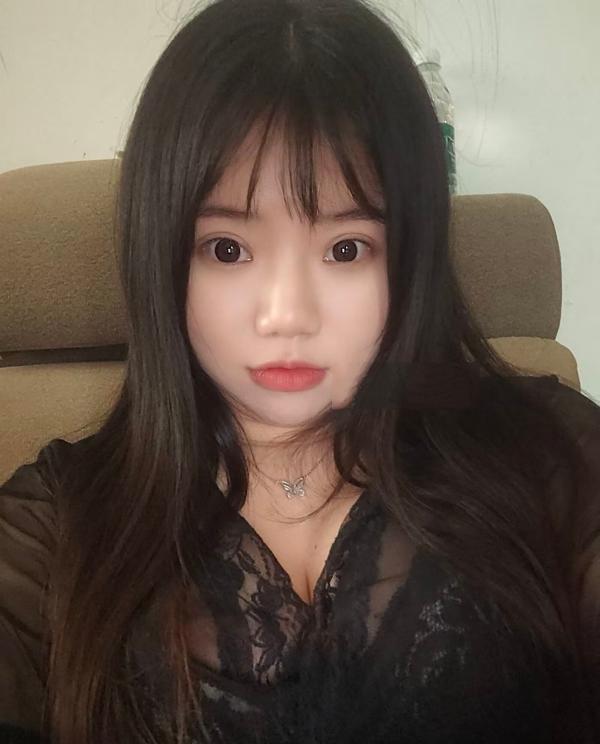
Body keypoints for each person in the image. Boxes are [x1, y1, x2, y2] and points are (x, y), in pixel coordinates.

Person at [1, 0, 599, 742]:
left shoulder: (549, 459)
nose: (288, 315)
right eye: (228, 249)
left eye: (346, 249)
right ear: (163, 256)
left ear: (409, 258)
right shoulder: (59, 526)